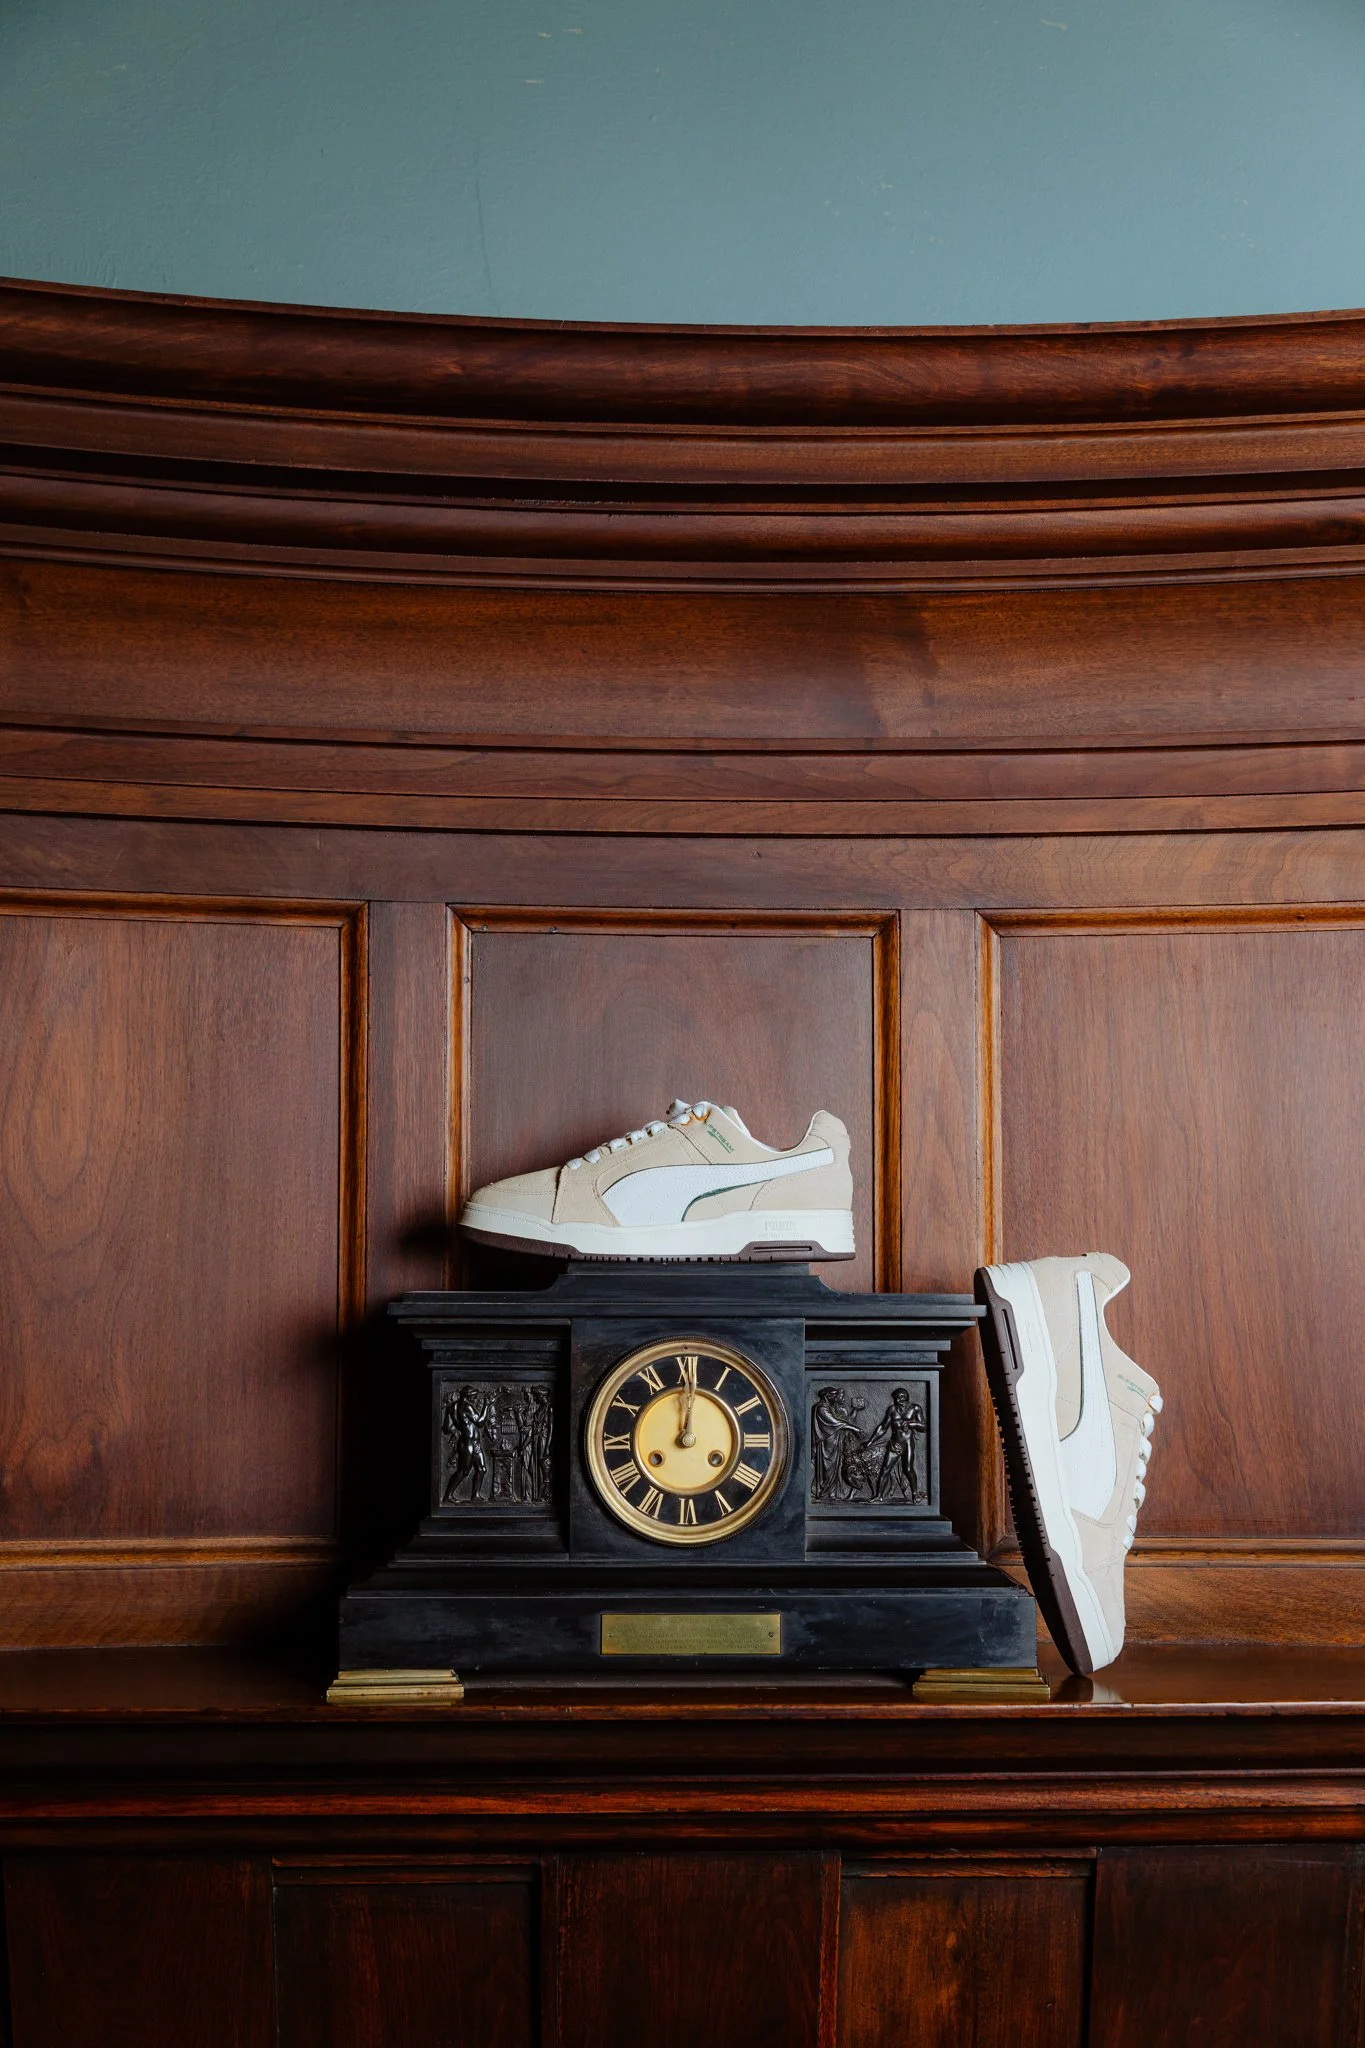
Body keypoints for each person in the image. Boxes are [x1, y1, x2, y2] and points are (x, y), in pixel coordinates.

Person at [865, 1387, 925, 1503]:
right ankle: (879, 1496)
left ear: (907, 1397)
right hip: (894, 1443)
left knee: (908, 1469)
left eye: (901, 1397)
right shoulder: (892, 1410)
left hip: (907, 1443)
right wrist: (870, 1441)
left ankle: (914, 1493)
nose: (899, 1399)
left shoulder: (915, 1408)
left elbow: (925, 1426)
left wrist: (912, 1424)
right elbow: (883, 1427)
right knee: (885, 1469)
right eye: (897, 1397)